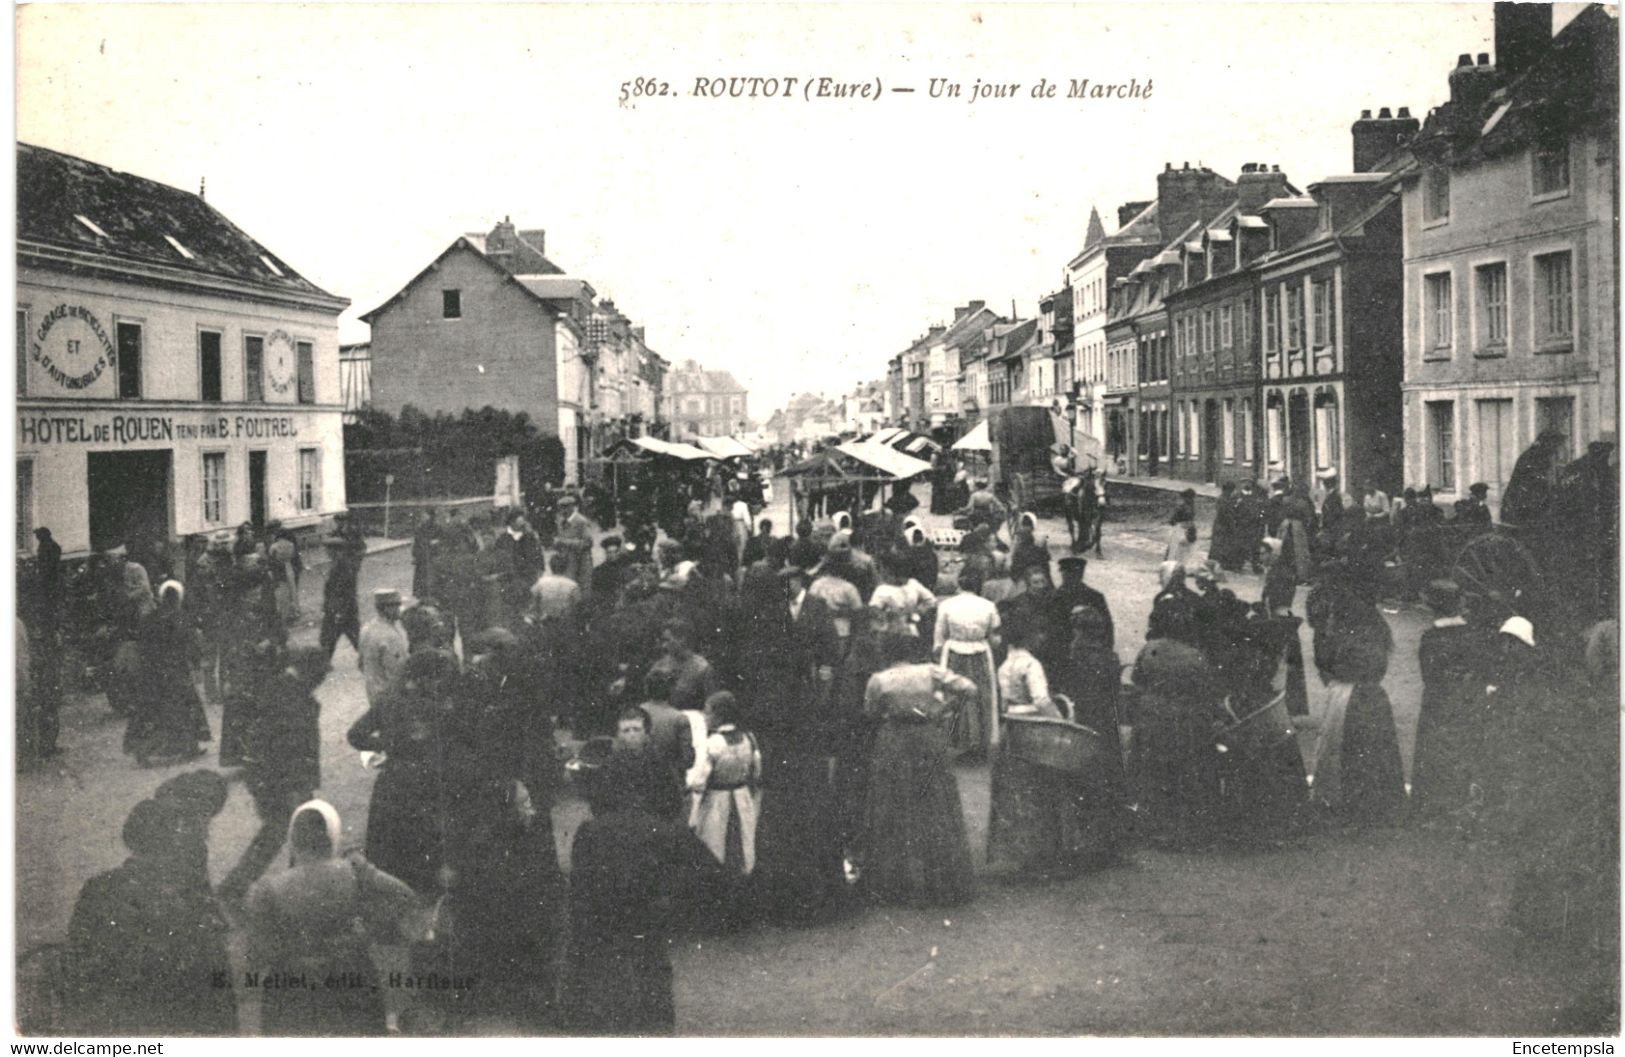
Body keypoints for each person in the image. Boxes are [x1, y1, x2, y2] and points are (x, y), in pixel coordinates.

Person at [563, 754, 733, 1035]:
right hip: (649, 937)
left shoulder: (590, 832)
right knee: (652, 1010)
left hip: (601, 949)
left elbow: (578, 896)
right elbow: (716, 882)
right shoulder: (665, 832)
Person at [244, 800, 419, 1036]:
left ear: (293, 841)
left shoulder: (268, 889)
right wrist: (368, 932)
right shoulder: (353, 872)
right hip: (351, 975)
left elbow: (256, 956)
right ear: (331, 838)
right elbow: (404, 896)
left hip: (294, 987)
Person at [65, 798, 237, 1035]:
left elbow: (76, 957)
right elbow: (216, 980)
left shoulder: (97, 887)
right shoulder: (188, 895)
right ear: (176, 844)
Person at [861, 635, 977, 907]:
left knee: (894, 806)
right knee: (934, 803)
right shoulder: (930, 672)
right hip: (927, 736)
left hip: (893, 740)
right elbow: (970, 689)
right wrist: (943, 710)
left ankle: (896, 882)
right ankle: (941, 878)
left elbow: (869, 712)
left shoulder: (879, 679)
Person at [347, 647, 463, 894]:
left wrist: (386, 745)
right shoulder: (432, 705)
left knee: (391, 845)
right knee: (426, 843)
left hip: (393, 780)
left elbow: (355, 735)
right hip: (426, 781)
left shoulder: (388, 699)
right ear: (427, 677)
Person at [218, 645, 328, 903]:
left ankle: (245, 885)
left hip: (276, 776)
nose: (322, 681)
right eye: (320, 675)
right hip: (281, 778)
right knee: (285, 829)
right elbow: (285, 746)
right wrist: (296, 786)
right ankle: (237, 887)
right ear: (310, 672)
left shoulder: (279, 688)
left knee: (291, 829)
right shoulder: (292, 697)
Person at [1305, 577, 1406, 826]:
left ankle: (1345, 803)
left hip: (1346, 694)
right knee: (1373, 751)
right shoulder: (1370, 622)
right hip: (1371, 693)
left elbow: (1327, 663)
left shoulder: (1336, 624)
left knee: (1341, 749)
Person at [1409, 580, 1493, 820]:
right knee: (1465, 747)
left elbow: (1429, 676)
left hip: (1439, 701)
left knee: (1435, 750)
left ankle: (1433, 806)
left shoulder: (1431, 638)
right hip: (1468, 700)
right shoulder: (1473, 634)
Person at [126, 580, 209, 766]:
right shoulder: (181, 617)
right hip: (175, 669)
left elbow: (141, 644)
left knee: (152, 710)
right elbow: (191, 644)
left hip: (152, 671)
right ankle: (190, 745)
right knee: (185, 706)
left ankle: (143, 751)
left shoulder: (150, 618)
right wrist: (196, 665)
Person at [690, 691, 763, 874]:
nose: (705, 717)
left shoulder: (712, 744)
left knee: (715, 846)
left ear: (718, 716)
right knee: (742, 844)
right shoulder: (749, 738)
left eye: (707, 713)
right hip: (742, 798)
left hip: (716, 802)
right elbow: (757, 770)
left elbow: (699, 781)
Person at [933, 564, 1001, 760]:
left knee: (954, 696)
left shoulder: (947, 605)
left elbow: (940, 635)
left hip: (954, 652)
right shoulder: (988, 606)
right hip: (980, 652)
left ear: (959, 583)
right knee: (981, 696)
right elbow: (995, 638)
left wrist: (938, 650)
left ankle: (958, 740)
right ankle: (979, 741)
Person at [359, 588, 410, 710]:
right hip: (390, 698)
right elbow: (398, 671)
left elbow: (361, 663)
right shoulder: (389, 636)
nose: (400, 609)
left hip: (373, 693)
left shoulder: (366, 628)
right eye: (397, 606)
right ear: (387, 609)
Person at [1050, 555, 1114, 653]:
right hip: (1062, 654)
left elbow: (1107, 628)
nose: (1069, 577)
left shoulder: (1054, 597)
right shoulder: (1095, 596)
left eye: (1073, 574)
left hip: (1082, 653)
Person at [319, 536, 364, 660]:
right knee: (329, 640)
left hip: (340, 611)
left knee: (328, 639)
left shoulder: (344, 567)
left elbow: (346, 592)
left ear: (336, 551)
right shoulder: (338, 564)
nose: (326, 553)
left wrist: (339, 612)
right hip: (339, 611)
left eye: (329, 550)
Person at [555, 493, 596, 590]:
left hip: (581, 562)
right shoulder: (561, 522)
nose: (562, 511)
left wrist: (564, 542)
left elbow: (588, 543)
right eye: (561, 508)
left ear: (572, 507)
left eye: (565, 507)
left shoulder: (581, 521)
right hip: (566, 562)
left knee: (582, 588)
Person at [531, 551, 583, 623]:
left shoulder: (541, 582)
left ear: (550, 566)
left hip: (544, 622)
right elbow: (578, 605)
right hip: (565, 623)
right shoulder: (573, 585)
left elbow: (533, 598)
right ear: (566, 567)